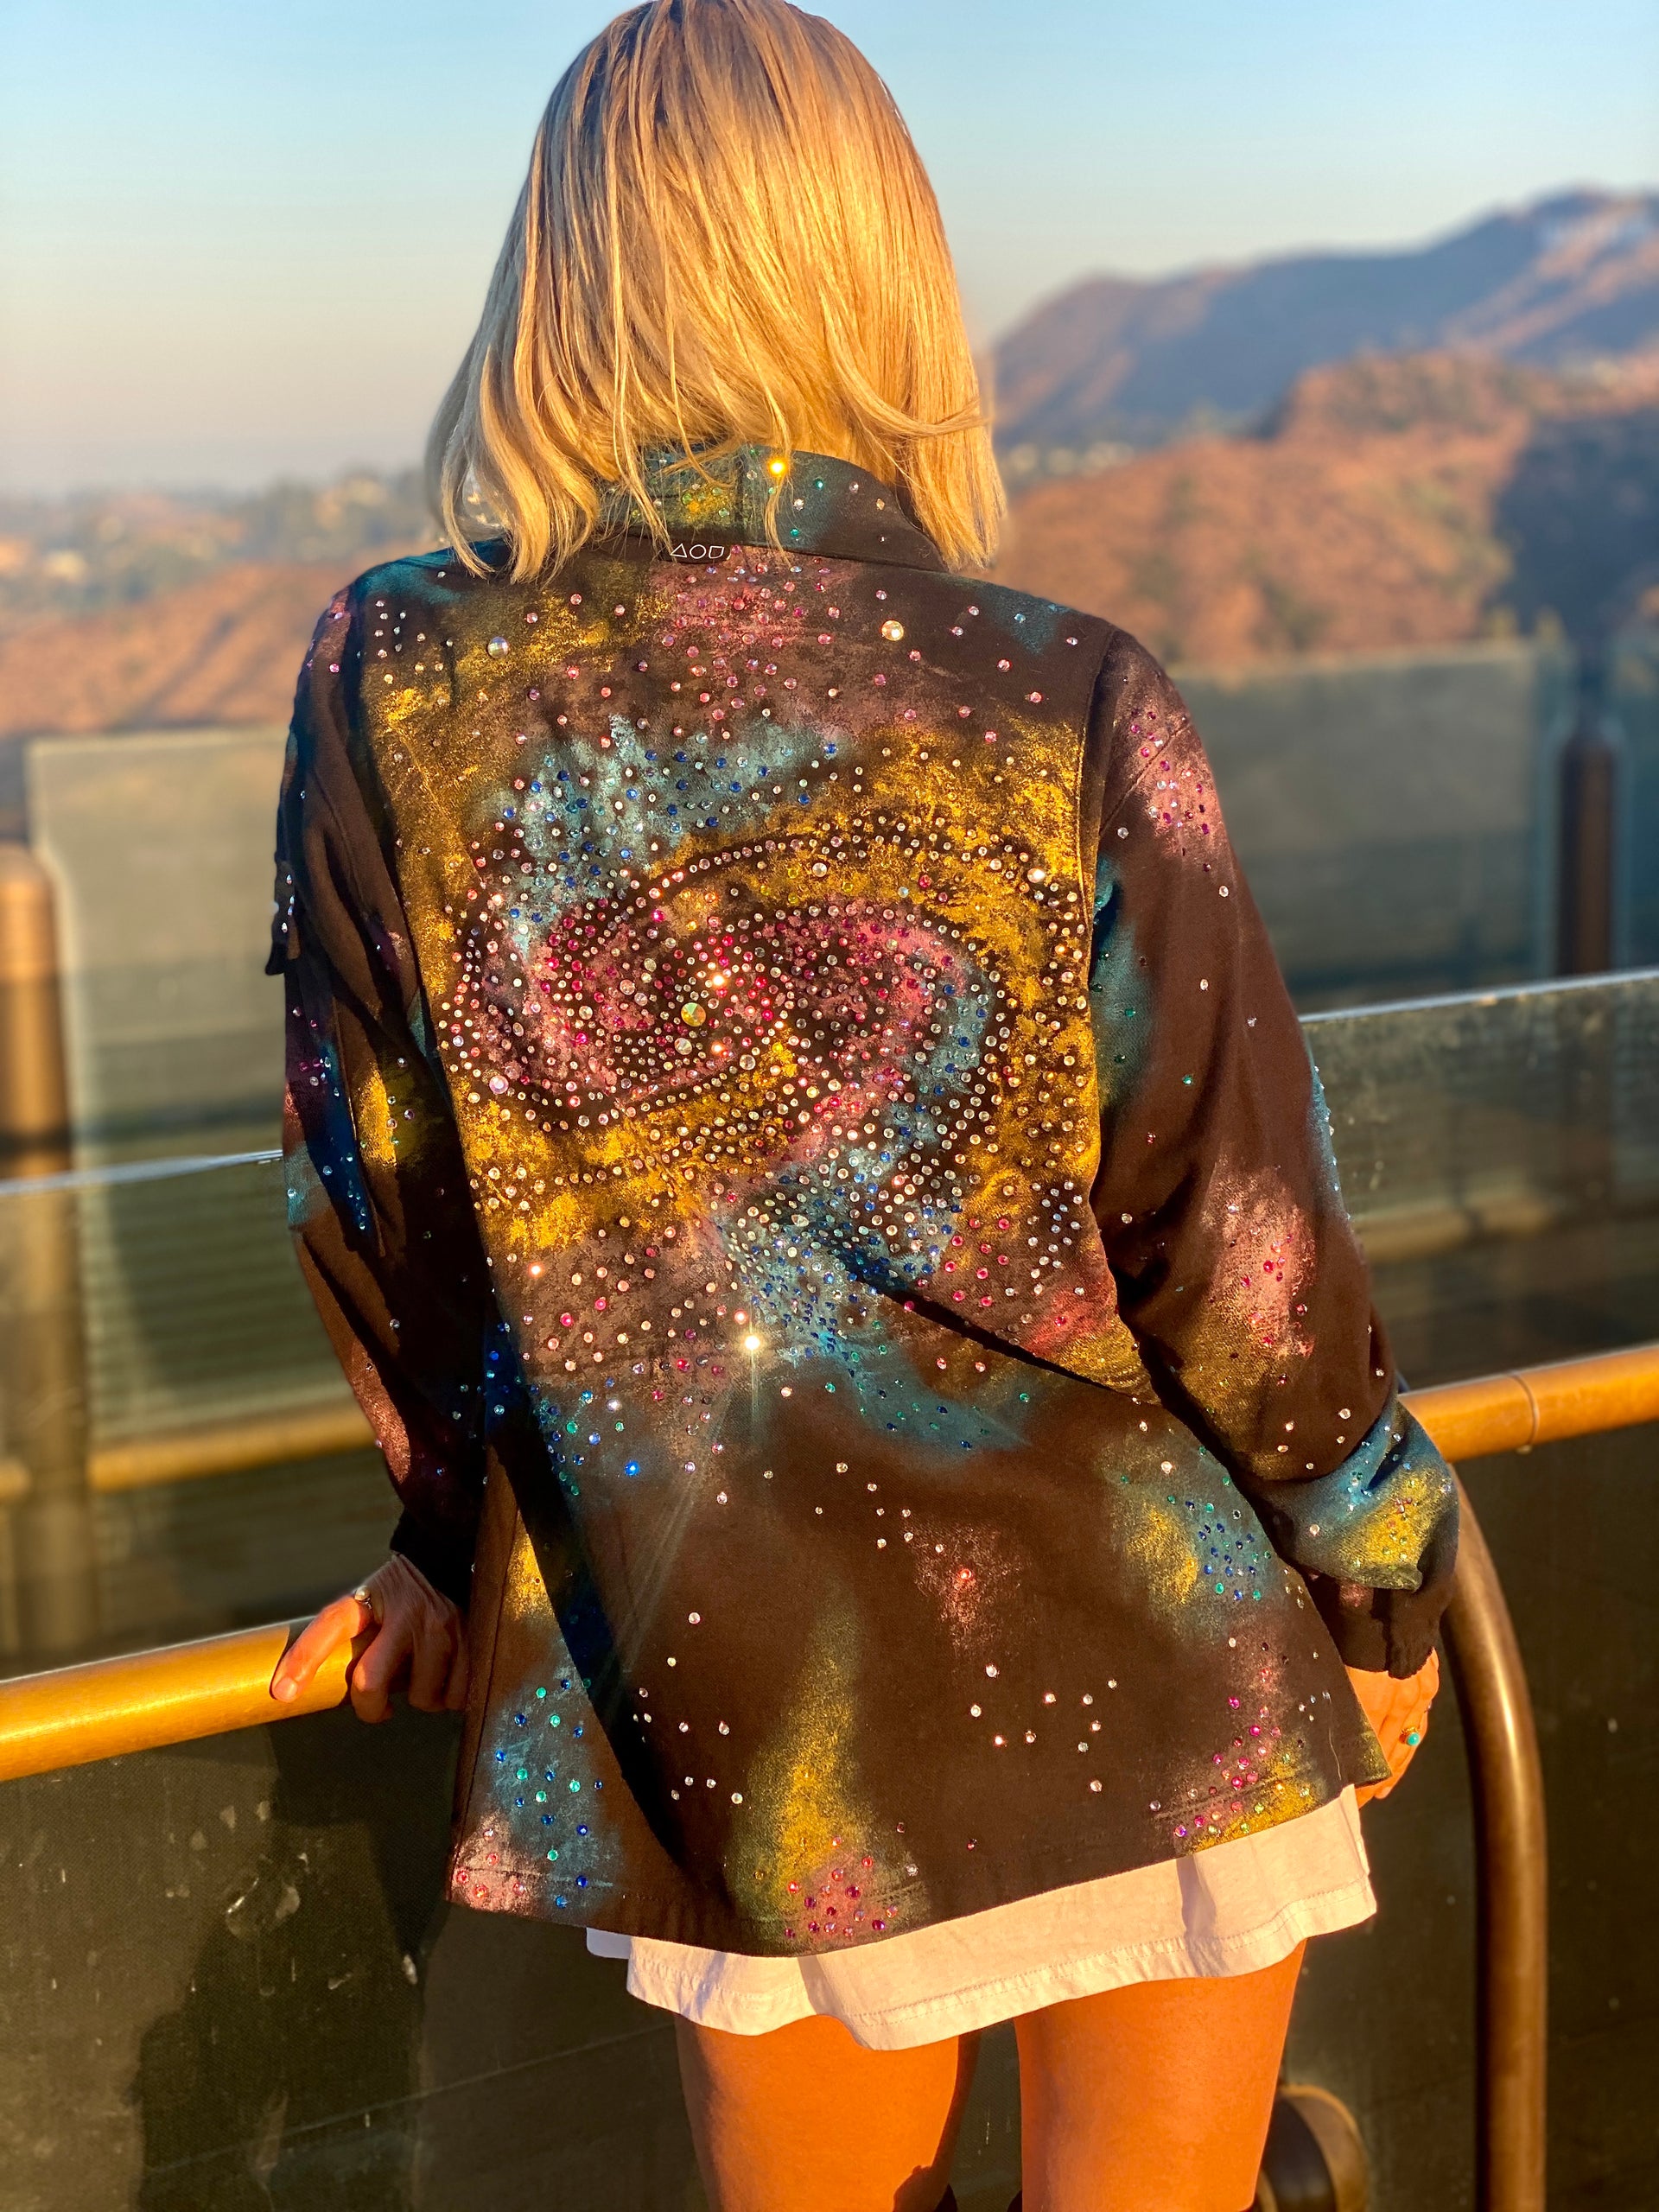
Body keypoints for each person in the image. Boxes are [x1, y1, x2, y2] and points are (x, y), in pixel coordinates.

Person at [268, 4, 1453, 2206]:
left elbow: (384, 1184)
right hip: (1176, 1658)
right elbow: (1238, 1240)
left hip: (760, 1704)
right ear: (882, 275)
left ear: (564, 269)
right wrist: (1381, 1573)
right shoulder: (1062, 682)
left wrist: (449, 1531)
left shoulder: (398, 679)